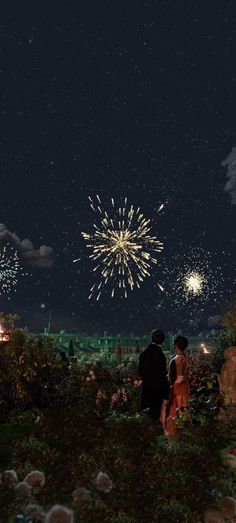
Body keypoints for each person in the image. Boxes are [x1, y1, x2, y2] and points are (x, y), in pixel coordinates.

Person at [138, 329, 169, 422]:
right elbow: (162, 373)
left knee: (146, 415)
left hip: (147, 388)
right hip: (158, 389)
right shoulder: (160, 355)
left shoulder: (144, 354)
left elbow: (140, 372)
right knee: (156, 414)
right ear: (163, 341)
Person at [163, 335, 190, 437]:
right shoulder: (183, 356)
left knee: (179, 411)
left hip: (178, 389)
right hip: (181, 389)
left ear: (176, 345)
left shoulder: (179, 358)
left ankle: (177, 435)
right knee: (182, 411)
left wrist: (171, 385)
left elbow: (179, 377)